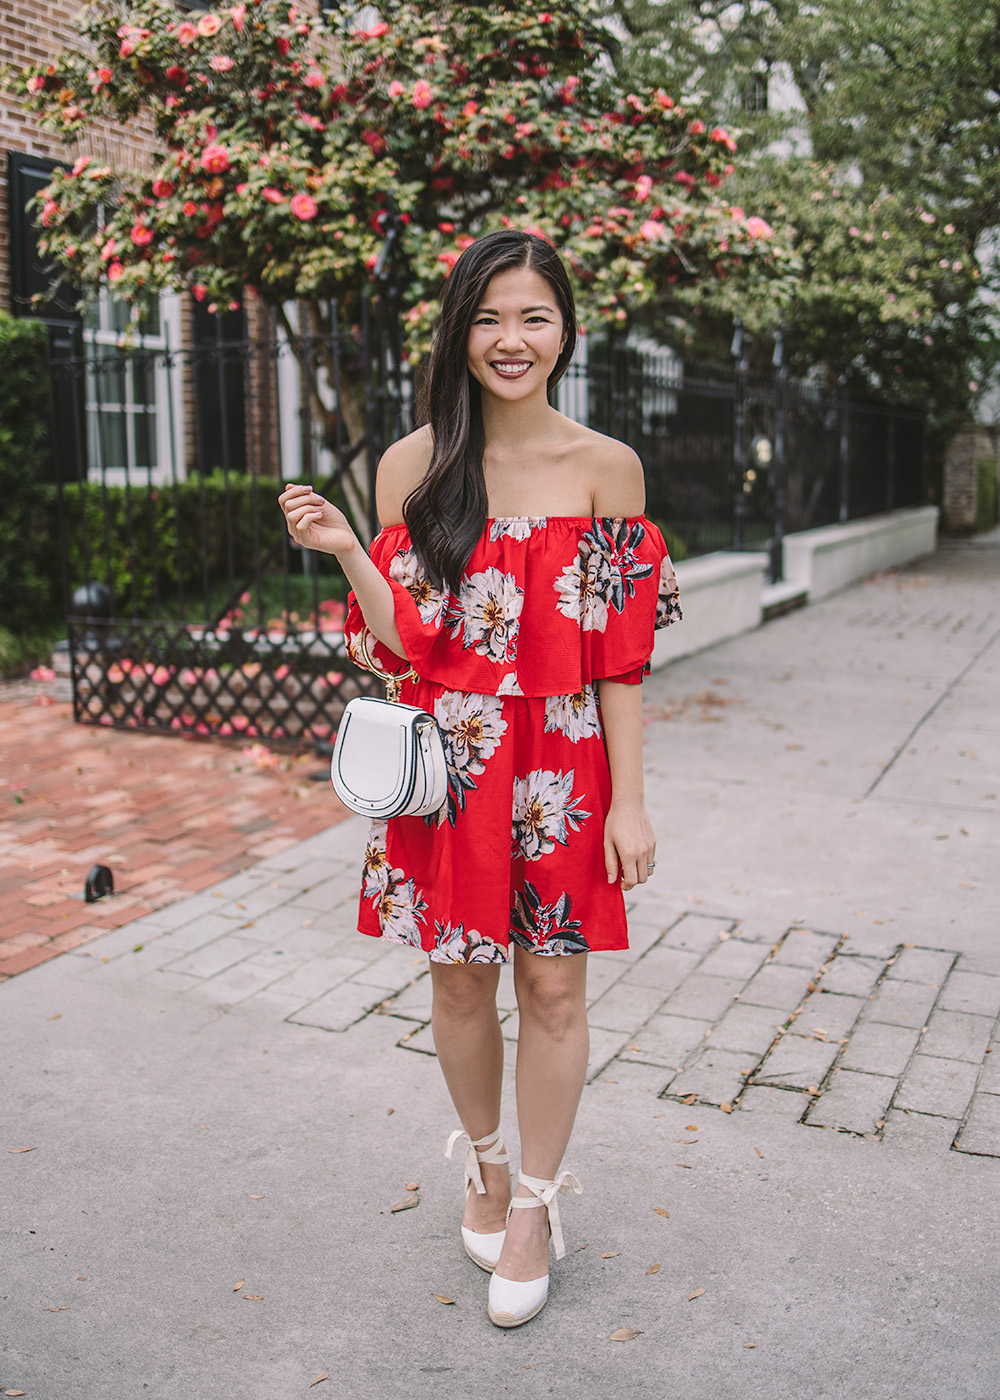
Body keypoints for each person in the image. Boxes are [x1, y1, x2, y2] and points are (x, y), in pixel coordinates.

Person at [278, 229, 681, 1327]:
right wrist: (349, 549)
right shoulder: (412, 466)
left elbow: (621, 660)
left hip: (561, 769)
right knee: (459, 982)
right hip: (450, 766)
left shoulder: (606, 468)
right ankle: (487, 1166)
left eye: (534, 317)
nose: (512, 339)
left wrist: (632, 802)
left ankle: (537, 1206)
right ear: (459, 330)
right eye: (490, 317)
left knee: (552, 987)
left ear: (565, 332)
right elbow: (401, 646)